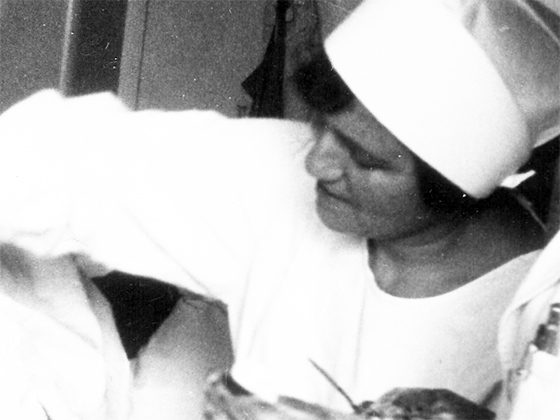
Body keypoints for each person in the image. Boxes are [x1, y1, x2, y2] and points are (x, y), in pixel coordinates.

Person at [0, 1, 557, 419]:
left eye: (363, 159)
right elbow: (65, 160)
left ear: (453, 191)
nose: (317, 162)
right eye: (322, 127)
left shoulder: (535, 316)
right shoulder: (282, 177)